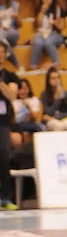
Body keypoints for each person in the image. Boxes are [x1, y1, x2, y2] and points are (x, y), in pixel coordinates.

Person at [0, 43, 18, 210]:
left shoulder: (10, 76)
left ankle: (6, 198)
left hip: (3, 122)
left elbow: (12, 95)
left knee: (4, 157)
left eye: (2, 52)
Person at [40, 67, 67, 131]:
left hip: (62, 118)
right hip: (50, 121)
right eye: (53, 78)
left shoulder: (65, 93)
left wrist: (56, 117)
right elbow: (47, 112)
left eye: (58, 77)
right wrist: (57, 99)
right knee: (58, 125)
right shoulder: (44, 94)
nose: (56, 80)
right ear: (48, 80)